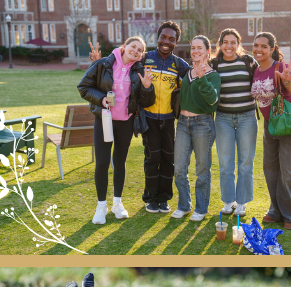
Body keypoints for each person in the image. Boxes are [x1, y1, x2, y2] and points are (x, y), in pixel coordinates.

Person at [78, 36, 156, 225]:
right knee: (102, 162)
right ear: (124, 46)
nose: (136, 51)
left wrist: (147, 87)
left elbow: (146, 102)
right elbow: (84, 87)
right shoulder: (103, 64)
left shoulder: (139, 70)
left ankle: (117, 203)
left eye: (139, 50)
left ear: (141, 55)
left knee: (119, 162)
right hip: (104, 120)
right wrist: (101, 99)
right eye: (133, 46)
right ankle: (101, 206)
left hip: (125, 122)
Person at [250, 32, 291, 230]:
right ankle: (276, 210)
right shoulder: (255, 70)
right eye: (256, 45)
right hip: (270, 125)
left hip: (290, 124)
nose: (259, 49)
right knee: (271, 171)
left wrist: (288, 82)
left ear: (272, 49)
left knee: (290, 172)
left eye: (264, 46)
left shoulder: (281, 67)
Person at [139, 22, 190, 214]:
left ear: (176, 42)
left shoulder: (179, 64)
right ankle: (151, 198)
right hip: (149, 118)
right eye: (163, 37)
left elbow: (195, 78)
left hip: (169, 120)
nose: (166, 42)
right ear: (157, 37)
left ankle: (163, 198)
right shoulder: (145, 59)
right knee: (152, 158)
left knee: (168, 159)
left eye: (171, 39)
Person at [171, 35, 221, 222]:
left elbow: (213, 100)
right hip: (183, 124)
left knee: (202, 169)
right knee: (179, 168)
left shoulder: (213, 76)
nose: (195, 51)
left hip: (203, 124)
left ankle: (201, 208)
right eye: (193, 48)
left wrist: (201, 77)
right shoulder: (187, 72)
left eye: (200, 48)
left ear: (208, 51)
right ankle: (184, 205)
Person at [211, 29, 258, 217]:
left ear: (238, 44)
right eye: (225, 42)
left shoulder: (248, 62)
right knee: (225, 163)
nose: (229, 46)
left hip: (247, 117)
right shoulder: (214, 64)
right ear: (220, 44)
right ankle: (229, 201)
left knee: (246, 162)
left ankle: (242, 202)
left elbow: (261, 79)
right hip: (223, 119)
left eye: (233, 42)